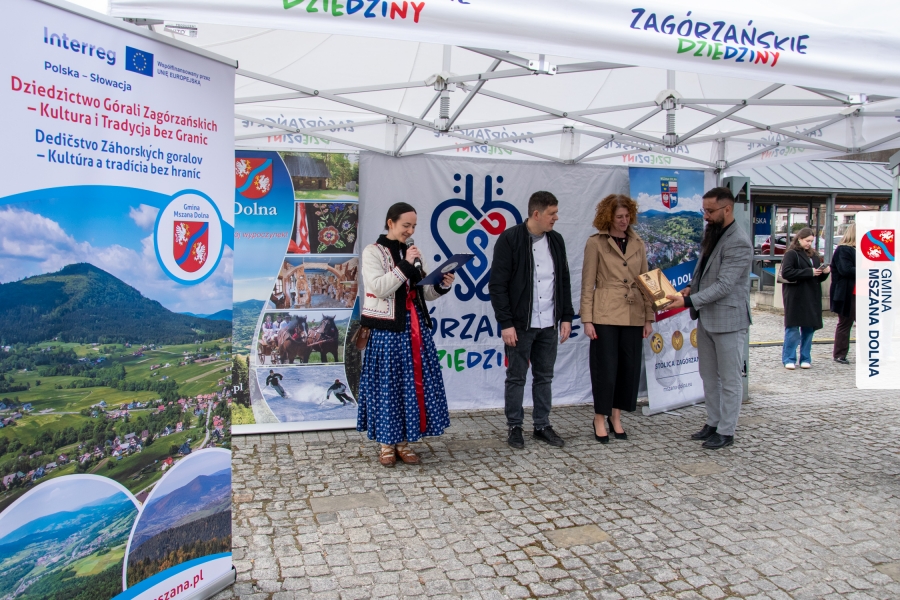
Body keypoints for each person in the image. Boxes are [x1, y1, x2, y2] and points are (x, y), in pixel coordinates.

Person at [357, 202, 455, 467]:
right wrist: (406, 265)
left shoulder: (411, 253)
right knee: (388, 386)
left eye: (413, 226)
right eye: (406, 225)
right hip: (387, 330)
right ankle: (386, 445)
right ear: (391, 223)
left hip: (414, 327)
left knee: (410, 386)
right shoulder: (373, 252)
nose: (410, 231)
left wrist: (441, 285)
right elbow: (379, 288)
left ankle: (404, 443)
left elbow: (423, 292)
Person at [665, 187, 753, 450]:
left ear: (727, 209)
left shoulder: (738, 241)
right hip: (707, 317)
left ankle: (726, 430)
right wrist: (690, 288)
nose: (706, 216)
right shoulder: (714, 233)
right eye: (704, 210)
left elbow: (724, 285)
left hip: (729, 320)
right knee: (708, 376)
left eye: (710, 211)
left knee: (729, 378)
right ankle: (713, 422)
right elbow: (703, 271)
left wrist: (688, 301)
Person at [489, 191, 574, 450]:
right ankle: (515, 426)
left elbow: (564, 280)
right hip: (520, 324)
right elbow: (498, 285)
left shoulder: (556, 240)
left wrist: (566, 317)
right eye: (552, 213)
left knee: (544, 377)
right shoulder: (510, 239)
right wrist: (506, 323)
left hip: (548, 322)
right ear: (536, 214)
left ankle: (542, 425)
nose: (556, 218)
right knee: (516, 377)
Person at [580, 194, 655, 444]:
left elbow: (646, 282)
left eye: (627, 216)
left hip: (634, 314)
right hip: (604, 313)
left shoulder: (638, 243)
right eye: (619, 217)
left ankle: (616, 416)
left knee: (628, 369)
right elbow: (587, 283)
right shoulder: (595, 243)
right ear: (608, 217)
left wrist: (649, 318)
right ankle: (599, 418)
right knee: (605, 369)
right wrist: (587, 319)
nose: (624, 221)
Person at [780, 227, 830, 369]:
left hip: (811, 295)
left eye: (811, 241)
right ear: (800, 239)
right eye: (807, 241)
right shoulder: (791, 254)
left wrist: (824, 273)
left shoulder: (813, 255)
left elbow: (817, 277)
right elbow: (787, 273)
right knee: (793, 328)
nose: (809, 244)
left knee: (808, 328)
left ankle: (805, 358)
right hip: (795, 295)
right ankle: (789, 358)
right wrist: (809, 272)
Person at [830, 224, 856, 365]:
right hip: (847, 293)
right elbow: (845, 269)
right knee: (845, 323)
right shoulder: (843, 250)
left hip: (863, 292)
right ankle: (840, 354)